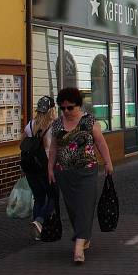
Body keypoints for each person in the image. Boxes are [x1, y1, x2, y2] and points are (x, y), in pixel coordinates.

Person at [47, 87, 114, 264]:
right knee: (73, 207)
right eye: (63, 108)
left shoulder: (89, 121)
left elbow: (100, 142)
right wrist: (50, 169)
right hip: (64, 172)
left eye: (70, 107)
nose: (66, 111)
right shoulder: (57, 124)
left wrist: (108, 162)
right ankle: (84, 237)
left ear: (78, 106)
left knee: (85, 204)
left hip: (87, 169)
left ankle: (78, 247)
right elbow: (53, 147)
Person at [21, 95, 56, 241]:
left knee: (39, 198)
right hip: (44, 167)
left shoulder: (29, 125)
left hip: (30, 167)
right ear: (51, 110)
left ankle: (37, 229)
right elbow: (50, 149)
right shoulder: (51, 127)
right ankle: (40, 221)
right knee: (53, 196)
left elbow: (22, 145)